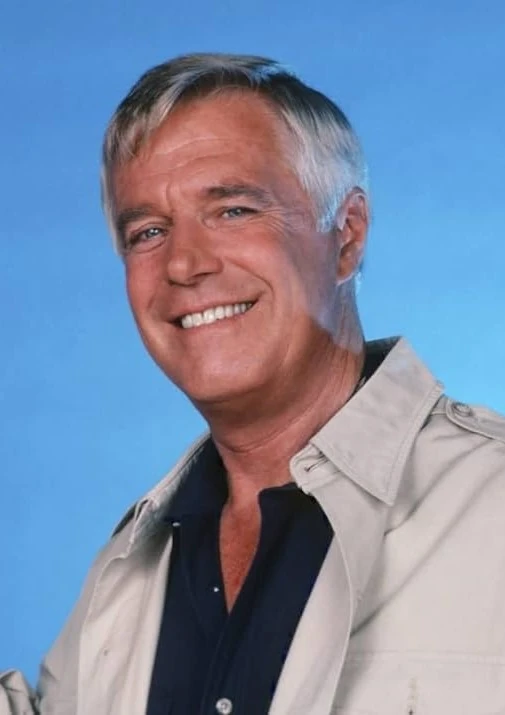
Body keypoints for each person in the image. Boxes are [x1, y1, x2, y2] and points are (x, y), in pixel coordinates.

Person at [2, 52, 505, 715]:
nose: (184, 263)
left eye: (233, 210)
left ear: (346, 235)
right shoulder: (123, 577)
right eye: (147, 231)